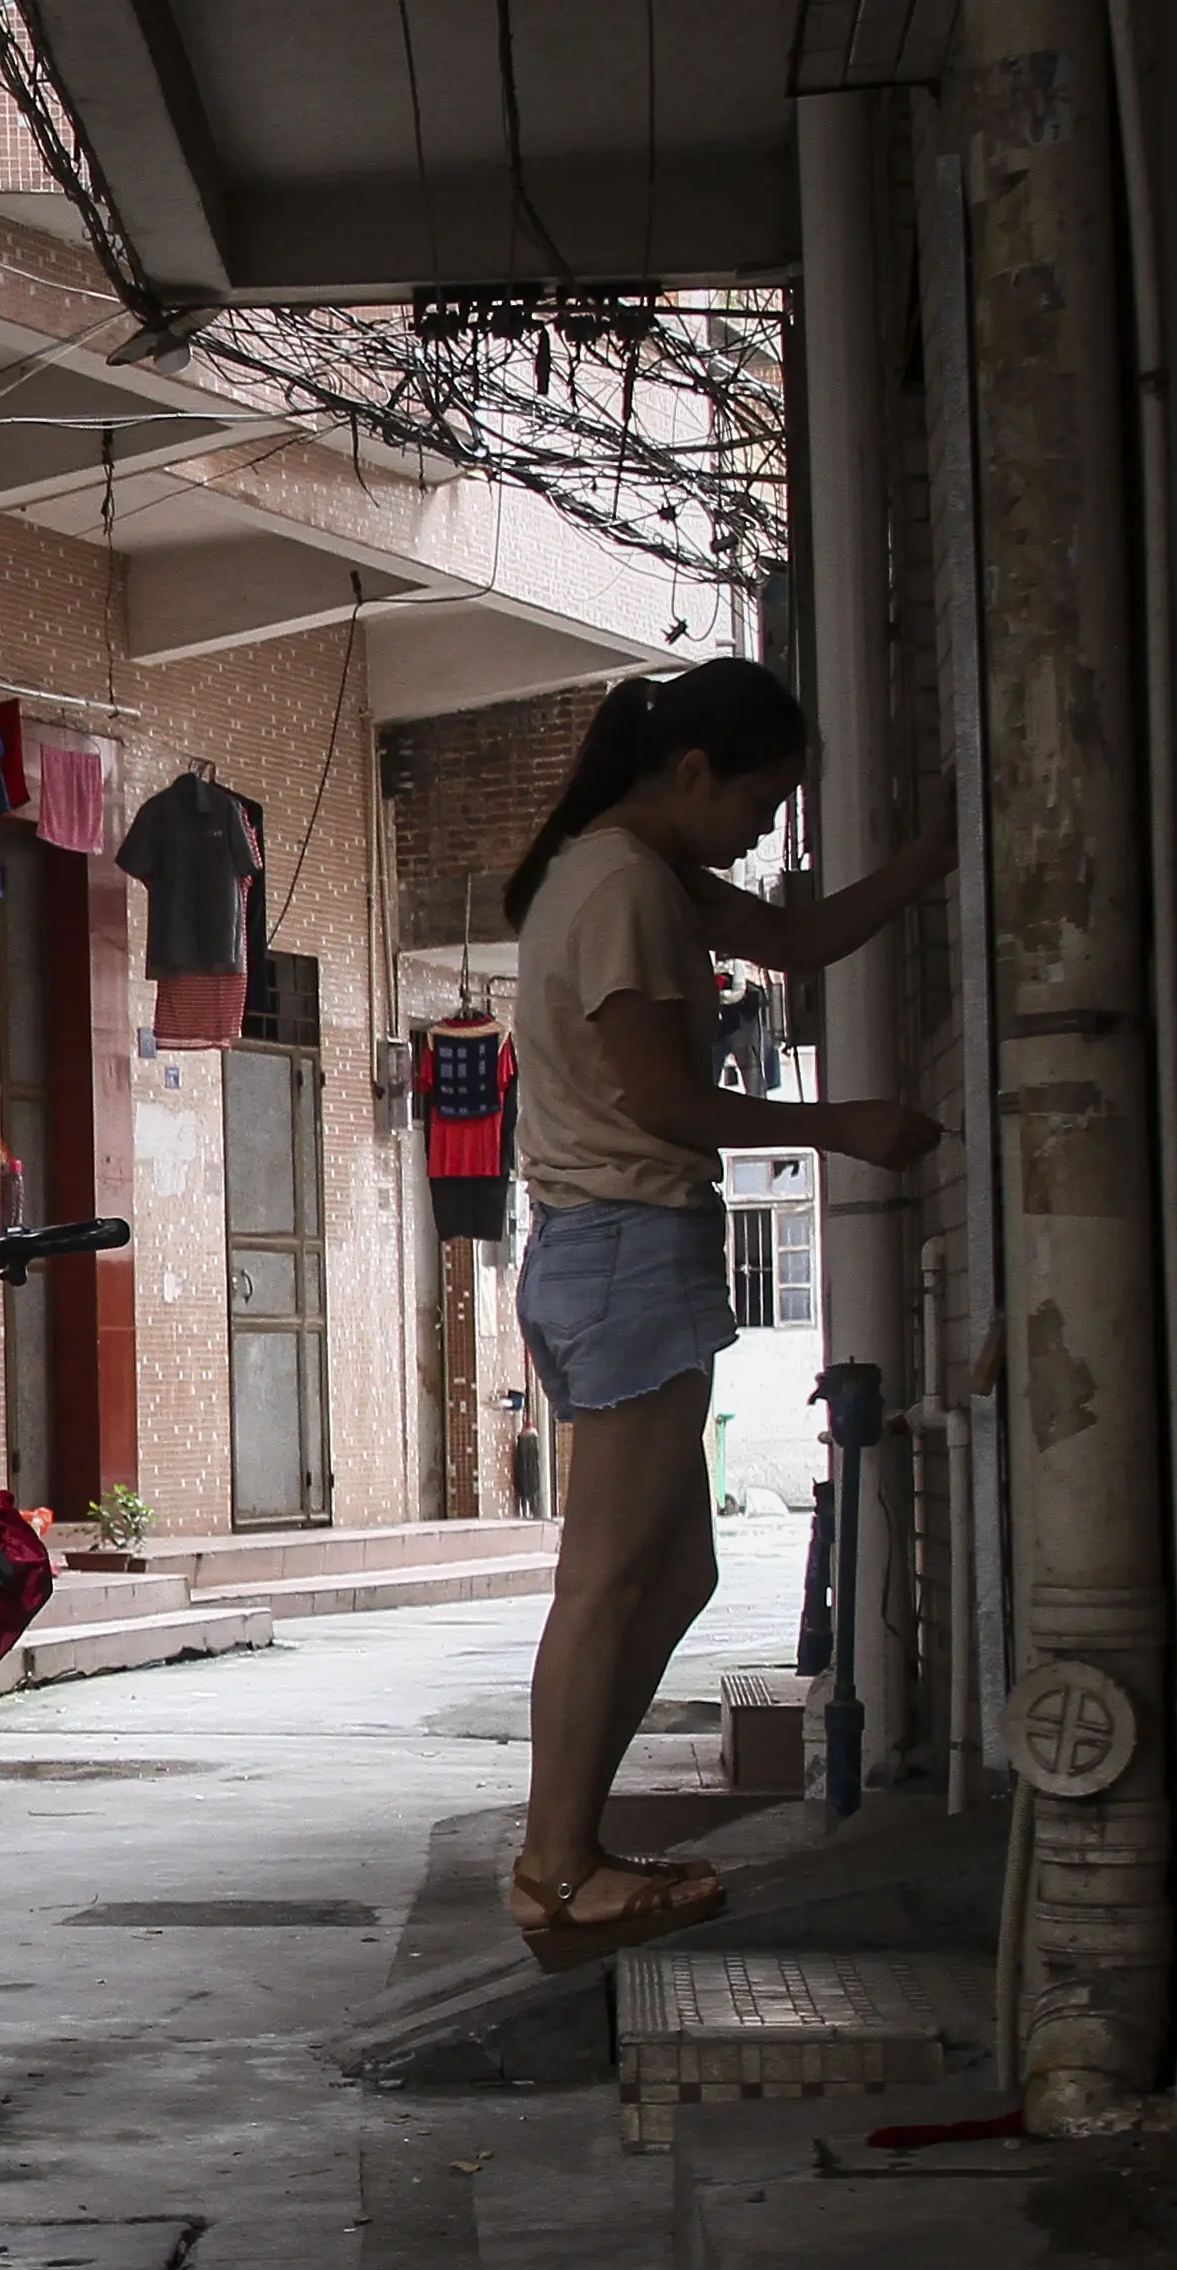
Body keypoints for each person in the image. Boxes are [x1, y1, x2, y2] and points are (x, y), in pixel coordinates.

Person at [499, 660, 947, 1941]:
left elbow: (796, 940)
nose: (765, 830)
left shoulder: (631, 867)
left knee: (676, 1567)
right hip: (623, 1242)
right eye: (759, 801)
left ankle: (564, 1846)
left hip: (618, 1246)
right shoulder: (626, 886)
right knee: (603, 1576)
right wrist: (838, 1126)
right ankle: (559, 1865)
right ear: (689, 772)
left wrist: (931, 852)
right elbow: (664, 1101)